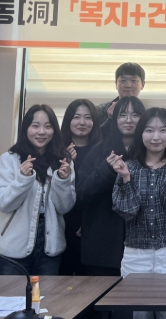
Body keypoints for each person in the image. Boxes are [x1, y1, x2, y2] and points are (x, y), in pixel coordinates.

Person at [112, 108, 166, 319]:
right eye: (149, 130)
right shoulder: (128, 167)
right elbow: (127, 212)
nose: (156, 137)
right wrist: (126, 178)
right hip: (136, 253)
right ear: (140, 133)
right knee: (139, 314)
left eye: (163, 130)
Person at [0, 104, 75, 275]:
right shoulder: (9, 160)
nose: (41, 132)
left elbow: (65, 207)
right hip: (13, 247)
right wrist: (22, 179)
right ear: (26, 129)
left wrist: (62, 180)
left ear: (54, 130)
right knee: (9, 293)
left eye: (48, 126)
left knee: (46, 293)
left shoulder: (63, 162)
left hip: (50, 246)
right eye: (35, 125)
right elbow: (1, 203)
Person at [76, 97, 145, 276]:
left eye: (135, 115)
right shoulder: (99, 150)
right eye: (122, 115)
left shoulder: (150, 152)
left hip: (141, 245)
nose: (128, 120)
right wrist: (106, 169)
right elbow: (81, 193)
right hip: (102, 243)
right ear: (114, 119)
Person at [59, 99, 101, 276]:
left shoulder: (101, 151)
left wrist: (88, 223)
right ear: (68, 120)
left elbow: (101, 191)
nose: (82, 122)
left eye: (88, 117)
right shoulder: (56, 150)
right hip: (61, 225)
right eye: (76, 117)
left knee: (88, 283)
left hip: (91, 224)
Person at [96, 62, 145, 138]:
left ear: (143, 84)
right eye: (123, 80)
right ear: (116, 84)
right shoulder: (100, 111)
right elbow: (94, 139)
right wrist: (110, 119)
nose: (128, 85)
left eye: (134, 80)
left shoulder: (147, 114)